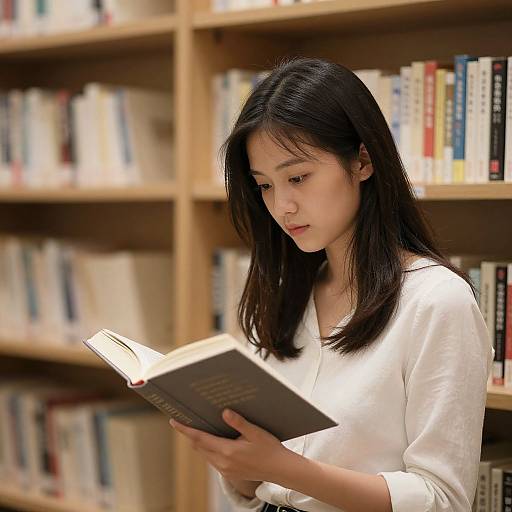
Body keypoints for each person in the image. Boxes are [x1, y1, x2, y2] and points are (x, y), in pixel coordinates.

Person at [170, 57, 493, 512]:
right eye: (264, 186)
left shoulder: (436, 302)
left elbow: (441, 500)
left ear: (361, 161)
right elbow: (260, 489)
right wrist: (237, 463)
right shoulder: (285, 290)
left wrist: (284, 467)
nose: (282, 206)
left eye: (298, 177)